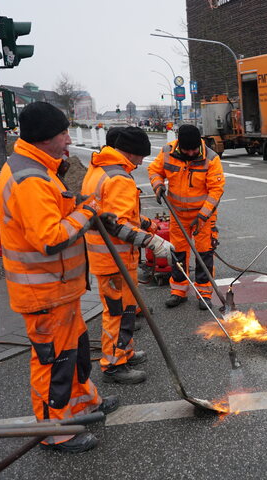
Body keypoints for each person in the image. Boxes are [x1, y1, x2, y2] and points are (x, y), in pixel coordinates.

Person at [0, 101, 118, 454]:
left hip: (59, 288)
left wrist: (80, 205)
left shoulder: (38, 167)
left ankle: (82, 405)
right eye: (64, 132)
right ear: (46, 136)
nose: (69, 138)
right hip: (43, 291)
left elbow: (58, 206)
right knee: (55, 363)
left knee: (75, 352)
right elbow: (49, 237)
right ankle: (55, 429)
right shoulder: (29, 178)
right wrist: (88, 213)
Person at [81, 126, 174, 384]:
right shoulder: (119, 178)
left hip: (110, 258)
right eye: (141, 156)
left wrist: (144, 222)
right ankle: (113, 365)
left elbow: (113, 213)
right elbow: (117, 225)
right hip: (115, 259)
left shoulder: (99, 169)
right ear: (131, 153)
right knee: (117, 313)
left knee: (127, 309)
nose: (142, 161)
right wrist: (153, 242)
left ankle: (125, 351)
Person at [148, 124, 225, 310]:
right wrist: (158, 186)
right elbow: (154, 170)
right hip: (178, 214)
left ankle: (204, 294)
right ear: (179, 145)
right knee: (178, 253)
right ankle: (178, 291)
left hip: (202, 216)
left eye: (194, 149)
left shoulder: (211, 158)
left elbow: (216, 190)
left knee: (204, 253)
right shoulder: (167, 152)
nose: (190, 153)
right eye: (186, 150)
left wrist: (203, 216)